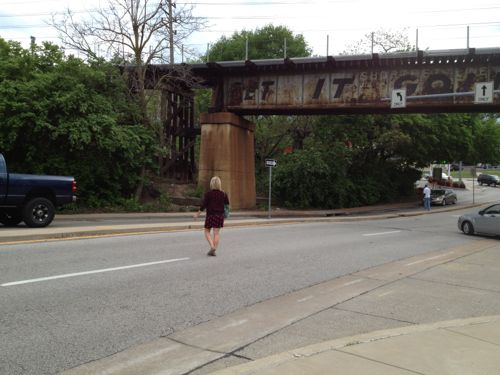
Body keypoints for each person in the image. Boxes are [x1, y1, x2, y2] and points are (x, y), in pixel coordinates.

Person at [193, 176, 229, 256]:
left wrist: (197, 214)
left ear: (211, 184)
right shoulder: (223, 193)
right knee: (216, 233)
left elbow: (203, 205)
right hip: (220, 216)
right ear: (219, 183)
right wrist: (226, 214)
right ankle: (214, 249)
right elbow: (227, 205)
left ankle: (212, 246)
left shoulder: (208, 194)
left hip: (210, 215)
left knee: (207, 231)